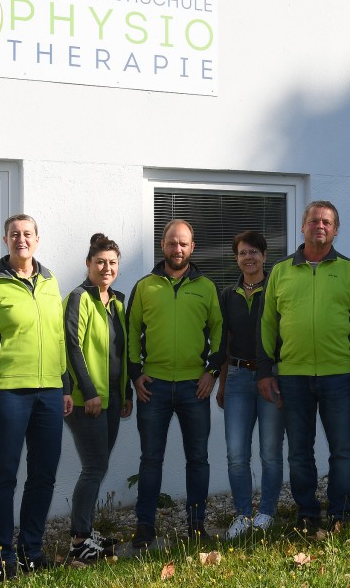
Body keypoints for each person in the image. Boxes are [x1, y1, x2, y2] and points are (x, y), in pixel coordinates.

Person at [0, 214, 72, 580]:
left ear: (37, 240)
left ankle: (31, 551)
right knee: (4, 477)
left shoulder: (50, 280)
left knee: (43, 476)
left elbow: (58, 337)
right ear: (5, 240)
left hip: (49, 392)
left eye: (27, 234)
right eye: (15, 234)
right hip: (5, 393)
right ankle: (2, 559)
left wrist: (66, 385)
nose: (21, 239)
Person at [258, 200, 350, 532]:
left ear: (335, 230)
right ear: (302, 226)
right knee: (298, 452)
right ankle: (307, 513)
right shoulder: (280, 271)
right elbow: (266, 324)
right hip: (292, 376)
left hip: (340, 375)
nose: (319, 226)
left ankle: (340, 514)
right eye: (313, 221)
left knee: (342, 450)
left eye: (326, 222)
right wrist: (265, 371)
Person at [127, 219, 225, 548]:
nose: (177, 249)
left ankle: (196, 526)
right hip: (152, 387)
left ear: (192, 247)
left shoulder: (206, 287)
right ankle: (145, 527)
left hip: (193, 387)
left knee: (197, 458)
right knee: (150, 459)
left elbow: (220, 332)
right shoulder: (145, 286)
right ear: (162, 245)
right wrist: (134, 373)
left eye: (183, 243)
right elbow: (131, 333)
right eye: (172, 243)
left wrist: (211, 371)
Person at [64, 234, 133, 563]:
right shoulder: (79, 297)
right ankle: (79, 543)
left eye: (112, 263)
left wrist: (126, 393)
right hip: (86, 401)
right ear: (89, 265)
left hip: (112, 401)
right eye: (100, 262)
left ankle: (86, 533)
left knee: (96, 466)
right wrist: (89, 392)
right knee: (94, 467)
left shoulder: (117, 302)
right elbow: (71, 347)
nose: (107, 268)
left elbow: (124, 351)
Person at [216, 231, 284, 539]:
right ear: (236, 258)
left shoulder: (276, 288)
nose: (249, 257)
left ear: (264, 256)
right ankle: (243, 514)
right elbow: (224, 341)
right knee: (236, 453)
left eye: (254, 252)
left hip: (271, 376)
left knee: (270, 451)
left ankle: (267, 512)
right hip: (238, 378)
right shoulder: (228, 294)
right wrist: (222, 383)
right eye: (243, 253)